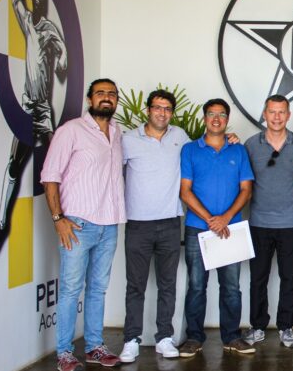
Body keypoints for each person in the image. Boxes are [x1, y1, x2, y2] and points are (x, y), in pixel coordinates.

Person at [41, 79, 124, 371]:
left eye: (112, 94)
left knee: (98, 289)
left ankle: (94, 347)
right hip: (76, 223)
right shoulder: (71, 131)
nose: (106, 98)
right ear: (90, 99)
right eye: (101, 93)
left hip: (110, 223)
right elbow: (50, 176)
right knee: (70, 289)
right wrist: (58, 219)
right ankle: (64, 352)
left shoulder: (117, 133)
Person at [0, 0, 68, 256]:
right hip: (26, 110)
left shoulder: (49, 29)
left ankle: (62, 216)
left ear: (44, 1)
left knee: (56, 169)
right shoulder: (26, 20)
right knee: (13, 166)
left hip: (44, 113)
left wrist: (60, 59)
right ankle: (0, 223)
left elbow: (62, 57)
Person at [177, 99, 255, 357]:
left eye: (222, 114)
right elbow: (185, 191)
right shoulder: (190, 149)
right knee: (197, 286)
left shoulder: (238, 150)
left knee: (231, 287)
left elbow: (246, 189)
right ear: (204, 119)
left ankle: (232, 337)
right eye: (211, 114)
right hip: (198, 228)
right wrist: (212, 219)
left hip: (230, 229)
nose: (216, 118)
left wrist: (225, 218)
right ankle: (194, 338)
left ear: (227, 119)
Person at [118, 90, 189, 362]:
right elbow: (113, 175)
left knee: (167, 284)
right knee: (135, 285)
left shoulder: (180, 137)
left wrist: (229, 138)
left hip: (170, 222)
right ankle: (131, 340)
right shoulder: (127, 140)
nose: (162, 113)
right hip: (137, 224)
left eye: (167, 109)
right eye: (157, 108)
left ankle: (164, 338)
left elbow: (202, 152)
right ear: (148, 110)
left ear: (172, 112)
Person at [243, 95, 293, 348]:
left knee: (290, 277)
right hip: (258, 222)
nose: (277, 117)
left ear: (288, 115)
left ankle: (286, 327)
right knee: (258, 277)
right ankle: (257, 326)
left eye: (281, 112)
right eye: (272, 112)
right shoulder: (250, 144)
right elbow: (241, 178)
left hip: (290, 222)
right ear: (265, 114)